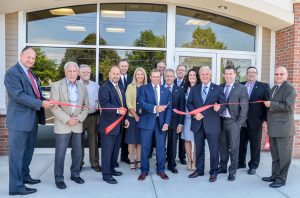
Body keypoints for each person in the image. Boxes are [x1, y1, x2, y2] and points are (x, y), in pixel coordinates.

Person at [4, 47, 53, 195]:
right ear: (21, 55)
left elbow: (36, 95)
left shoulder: (31, 74)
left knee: (28, 152)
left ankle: (25, 176)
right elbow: (18, 95)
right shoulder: (12, 73)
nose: (31, 60)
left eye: (33, 58)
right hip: (19, 122)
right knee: (16, 156)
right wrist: (40, 104)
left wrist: (46, 100)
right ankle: (16, 187)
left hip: (32, 120)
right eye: (28, 57)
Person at [50, 61, 89, 189]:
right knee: (60, 153)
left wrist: (79, 118)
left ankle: (75, 174)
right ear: (65, 72)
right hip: (63, 124)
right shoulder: (56, 85)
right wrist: (68, 119)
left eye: (74, 71)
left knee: (77, 152)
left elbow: (86, 106)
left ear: (78, 73)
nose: (72, 73)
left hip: (77, 124)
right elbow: (54, 107)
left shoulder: (82, 86)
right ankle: (59, 178)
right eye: (69, 71)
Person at [187, 66, 226, 183]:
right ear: (200, 76)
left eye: (206, 74)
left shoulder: (218, 88)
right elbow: (189, 104)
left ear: (210, 75)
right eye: (202, 74)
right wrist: (195, 114)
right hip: (198, 123)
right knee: (199, 149)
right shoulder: (194, 89)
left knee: (214, 150)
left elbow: (223, 104)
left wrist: (219, 108)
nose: (204, 76)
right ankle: (199, 170)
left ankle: (213, 172)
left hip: (213, 125)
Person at [262, 66, 296, 188]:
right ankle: (274, 175)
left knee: (284, 156)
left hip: (284, 129)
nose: (279, 76)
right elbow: (271, 110)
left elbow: (288, 106)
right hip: (273, 128)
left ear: (286, 75)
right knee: (275, 155)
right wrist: (266, 121)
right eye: (277, 74)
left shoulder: (289, 88)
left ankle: (281, 179)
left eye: (281, 74)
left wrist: (272, 104)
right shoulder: (274, 88)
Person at [137, 69, 172, 181]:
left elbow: (169, 108)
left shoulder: (166, 91)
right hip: (147, 121)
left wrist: (167, 123)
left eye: (158, 77)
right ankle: (144, 171)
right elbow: (141, 103)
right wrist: (154, 108)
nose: (156, 79)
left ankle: (161, 170)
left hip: (161, 123)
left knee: (161, 148)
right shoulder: (143, 88)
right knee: (145, 147)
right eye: (154, 76)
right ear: (150, 77)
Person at [98, 65, 130, 184]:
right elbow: (105, 104)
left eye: (118, 74)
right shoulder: (104, 87)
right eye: (114, 74)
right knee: (107, 151)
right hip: (108, 125)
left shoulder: (120, 86)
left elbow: (124, 104)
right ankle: (106, 175)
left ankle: (111, 169)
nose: (116, 76)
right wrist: (117, 110)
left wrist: (125, 118)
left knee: (115, 150)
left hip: (119, 125)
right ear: (109, 74)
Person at [218, 65, 249, 181]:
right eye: (226, 74)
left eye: (231, 74)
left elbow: (244, 108)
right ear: (224, 75)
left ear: (235, 75)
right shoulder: (220, 87)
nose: (228, 76)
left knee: (234, 148)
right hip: (221, 121)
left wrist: (239, 123)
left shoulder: (241, 88)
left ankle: (232, 171)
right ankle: (222, 167)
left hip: (233, 122)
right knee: (222, 146)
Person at [238, 66, 270, 175]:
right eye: (249, 72)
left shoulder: (263, 86)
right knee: (241, 144)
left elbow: (267, 105)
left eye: (253, 72)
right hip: (241, 121)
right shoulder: (240, 85)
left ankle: (253, 165)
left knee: (255, 145)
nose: (251, 74)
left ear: (256, 74)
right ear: (246, 74)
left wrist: (266, 120)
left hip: (256, 121)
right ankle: (240, 162)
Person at [79, 64, 101, 172]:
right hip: (79, 119)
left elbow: (99, 101)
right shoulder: (75, 85)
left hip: (92, 117)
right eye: (83, 72)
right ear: (79, 73)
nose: (86, 74)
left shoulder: (95, 85)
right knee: (78, 142)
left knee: (94, 141)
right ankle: (78, 163)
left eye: (88, 72)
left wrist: (100, 116)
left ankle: (95, 163)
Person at [125, 67, 148, 170]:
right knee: (132, 141)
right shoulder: (130, 86)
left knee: (140, 141)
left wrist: (142, 116)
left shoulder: (148, 87)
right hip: (132, 117)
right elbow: (128, 102)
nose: (139, 76)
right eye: (138, 74)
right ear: (135, 75)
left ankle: (139, 160)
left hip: (144, 118)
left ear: (144, 76)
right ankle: (131, 161)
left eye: (141, 74)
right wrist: (135, 115)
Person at [164, 69, 185, 174]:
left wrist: (181, 123)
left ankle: (172, 165)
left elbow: (182, 108)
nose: (168, 78)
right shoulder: (159, 88)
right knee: (161, 143)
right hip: (161, 121)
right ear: (164, 77)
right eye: (167, 76)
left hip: (174, 121)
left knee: (172, 144)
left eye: (171, 76)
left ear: (174, 77)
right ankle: (161, 162)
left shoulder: (180, 90)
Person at [181, 69, 199, 171]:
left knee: (196, 140)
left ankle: (194, 162)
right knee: (187, 140)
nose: (192, 77)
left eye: (194, 75)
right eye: (190, 75)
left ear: (197, 77)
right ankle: (189, 161)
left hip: (197, 117)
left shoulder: (200, 88)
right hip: (187, 118)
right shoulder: (184, 88)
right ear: (187, 77)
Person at [118, 59, 133, 164]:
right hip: (117, 111)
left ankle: (124, 156)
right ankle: (115, 157)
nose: (123, 68)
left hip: (129, 111)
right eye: (122, 66)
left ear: (128, 67)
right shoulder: (115, 78)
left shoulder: (132, 79)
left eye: (125, 66)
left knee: (127, 135)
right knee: (118, 136)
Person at [174, 64, 187, 165]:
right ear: (176, 71)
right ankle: (170, 155)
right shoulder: (171, 81)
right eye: (179, 70)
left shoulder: (187, 83)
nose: (180, 72)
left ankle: (182, 156)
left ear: (185, 72)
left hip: (183, 112)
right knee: (172, 137)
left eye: (183, 70)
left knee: (182, 136)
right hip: (173, 114)